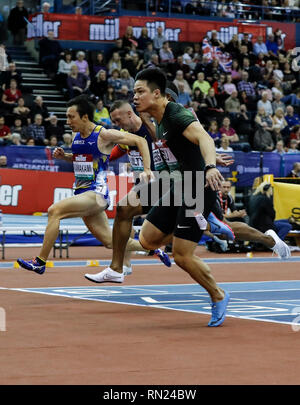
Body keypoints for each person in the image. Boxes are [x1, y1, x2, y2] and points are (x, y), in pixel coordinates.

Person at [86, 68, 231, 327]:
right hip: (178, 185)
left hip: (198, 187)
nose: (135, 97)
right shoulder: (158, 121)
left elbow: (204, 137)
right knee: (147, 240)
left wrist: (209, 165)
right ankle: (208, 222)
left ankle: (218, 295)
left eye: (140, 92)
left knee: (182, 256)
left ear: (157, 93)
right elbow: (183, 145)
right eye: (134, 92)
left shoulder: (175, 114)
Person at [17, 94, 158, 276]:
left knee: (54, 211)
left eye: (71, 117)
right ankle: (153, 249)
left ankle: (40, 262)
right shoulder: (76, 136)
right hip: (82, 193)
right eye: (67, 117)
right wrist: (64, 157)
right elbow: (80, 160)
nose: (67, 121)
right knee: (110, 241)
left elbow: (140, 140)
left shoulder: (103, 134)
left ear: (84, 117)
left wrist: (146, 168)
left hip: (97, 195)